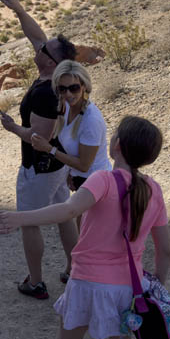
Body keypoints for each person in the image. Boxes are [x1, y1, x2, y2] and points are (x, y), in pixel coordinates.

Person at [0, 116, 170, 339]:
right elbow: (165, 250)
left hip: (88, 282)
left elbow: (68, 210)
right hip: (129, 289)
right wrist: (157, 289)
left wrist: (19, 218)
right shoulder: (153, 190)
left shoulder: (103, 180)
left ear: (116, 146)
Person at [0, 0, 81, 300]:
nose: (40, 45)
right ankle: (74, 269)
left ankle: (35, 281)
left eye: (45, 47)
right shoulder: (57, 77)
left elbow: (39, 138)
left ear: (49, 61)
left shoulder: (47, 93)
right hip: (58, 164)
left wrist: (12, 128)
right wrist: (18, 9)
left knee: (28, 222)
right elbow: (36, 35)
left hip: (40, 167)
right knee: (64, 213)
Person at [30, 59, 113, 279]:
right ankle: (76, 274)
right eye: (62, 89)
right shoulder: (67, 108)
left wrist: (49, 150)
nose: (68, 94)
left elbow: (85, 164)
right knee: (83, 236)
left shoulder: (91, 120)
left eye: (74, 88)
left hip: (97, 185)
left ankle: (86, 280)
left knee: (88, 240)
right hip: (84, 182)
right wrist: (70, 173)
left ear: (84, 86)